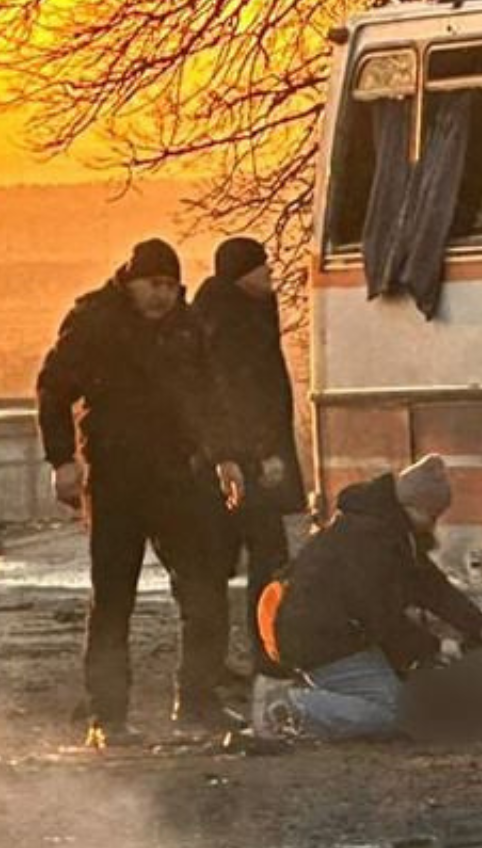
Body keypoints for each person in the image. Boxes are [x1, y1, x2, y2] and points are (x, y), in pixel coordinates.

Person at [36, 238, 241, 747]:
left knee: (204, 589)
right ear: (130, 282)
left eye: (171, 286)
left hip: (178, 477)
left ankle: (197, 704)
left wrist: (226, 456)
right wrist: (62, 460)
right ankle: (108, 718)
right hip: (115, 478)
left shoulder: (186, 326)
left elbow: (210, 395)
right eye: (154, 284)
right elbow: (53, 387)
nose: (162, 295)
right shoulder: (94, 322)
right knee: (113, 599)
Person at [262, 455, 482, 741]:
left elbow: (429, 584)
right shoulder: (371, 540)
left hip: (331, 633)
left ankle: (319, 699)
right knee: (392, 711)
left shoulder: (386, 529)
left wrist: (479, 625)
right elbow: (381, 617)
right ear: (413, 507)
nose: (432, 526)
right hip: (318, 639)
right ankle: (293, 707)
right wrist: (434, 646)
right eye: (431, 516)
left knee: (393, 695)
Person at [191, 237, 305, 708]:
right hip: (241, 467)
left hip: (231, 464)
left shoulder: (231, 313)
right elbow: (239, 397)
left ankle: (221, 664)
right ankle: (262, 656)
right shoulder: (231, 322)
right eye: (261, 268)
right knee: (262, 559)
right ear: (241, 274)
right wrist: (263, 454)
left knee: (222, 566)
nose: (269, 275)